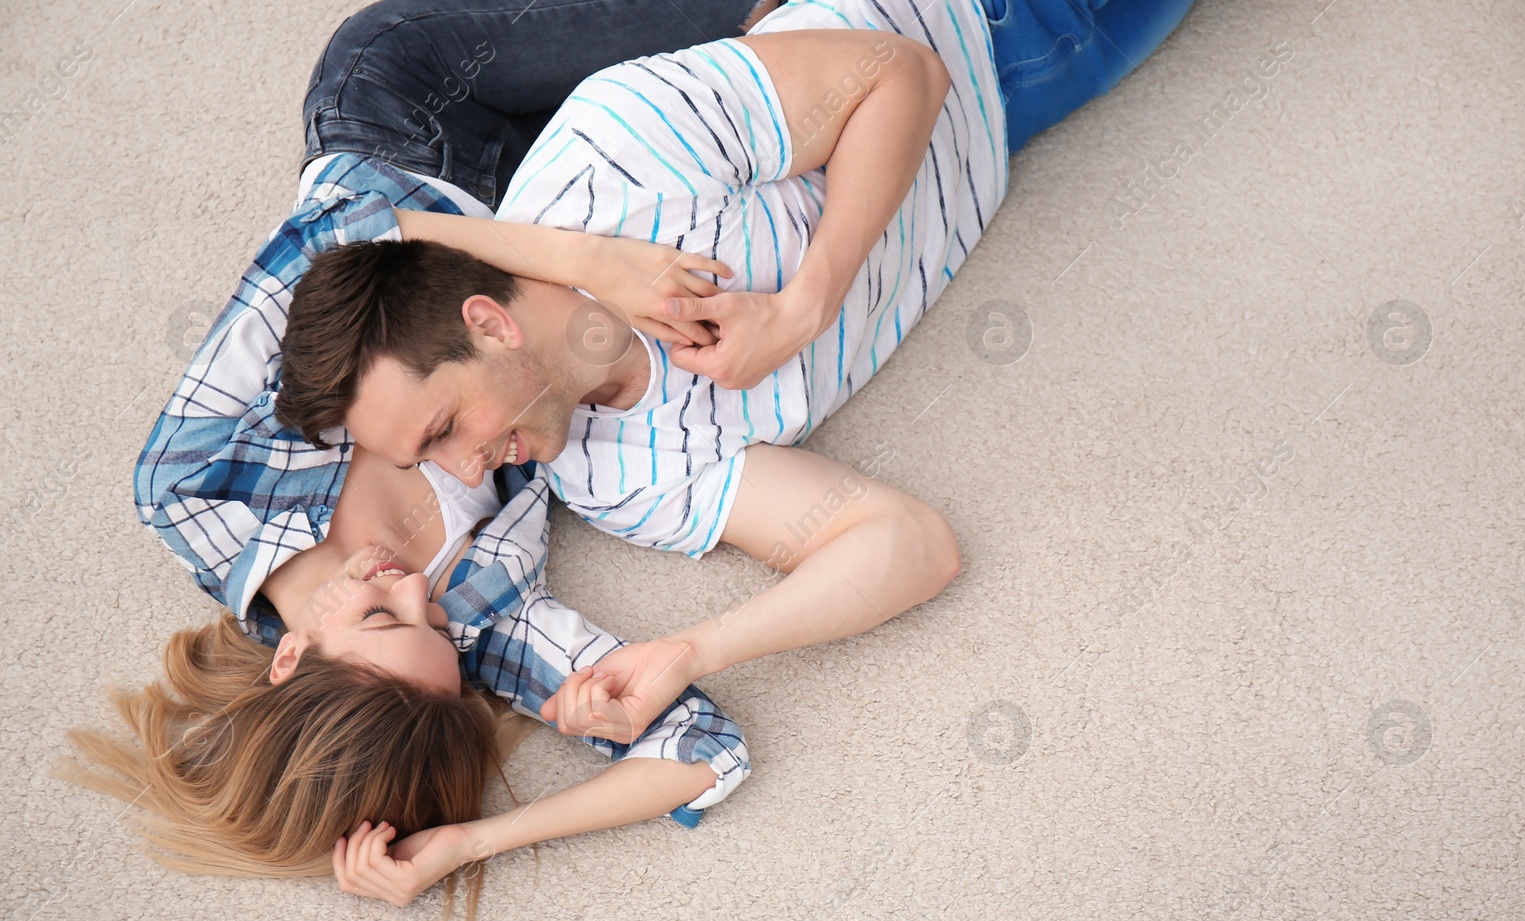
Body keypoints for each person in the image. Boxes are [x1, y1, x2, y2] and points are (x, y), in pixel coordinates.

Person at [272, 0, 1197, 753]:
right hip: (1025, 97)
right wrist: (690, 647)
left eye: (443, 430)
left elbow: (899, 73)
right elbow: (912, 543)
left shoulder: (607, 159)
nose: (472, 471)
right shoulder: (610, 481)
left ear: (487, 322)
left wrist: (802, 306)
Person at [84, 1, 777, 914]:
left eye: (380, 616)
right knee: (815, 60)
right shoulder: (480, 622)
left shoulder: (192, 487)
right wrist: (470, 840)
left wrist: (592, 263)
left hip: (428, 129)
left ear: (291, 654)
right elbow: (700, 752)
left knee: (753, 12)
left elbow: (348, 227)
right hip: (589, 202)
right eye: (435, 630)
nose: (415, 588)